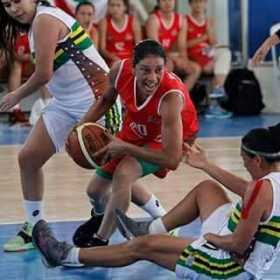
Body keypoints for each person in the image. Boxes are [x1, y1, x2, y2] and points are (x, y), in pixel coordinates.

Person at [33, 123, 280, 280]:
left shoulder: (261, 189)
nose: (244, 165)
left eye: (245, 160)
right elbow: (248, 191)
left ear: (257, 160)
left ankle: (66, 255)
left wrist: (210, 239)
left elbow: (237, 244)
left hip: (226, 268)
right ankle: (152, 226)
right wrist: (205, 165)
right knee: (207, 189)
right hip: (245, 255)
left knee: (143, 247)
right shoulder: (270, 182)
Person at [0, 0, 123, 252]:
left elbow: (43, 74)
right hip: (65, 103)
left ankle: (160, 219)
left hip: (97, 100)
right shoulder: (35, 23)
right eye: (6, 4)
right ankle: (34, 227)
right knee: (29, 158)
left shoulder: (46, 19)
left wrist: (15, 96)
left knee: (116, 170)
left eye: (17, 1)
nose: (14, 8)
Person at [70, 39, 199, 248]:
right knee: (95, 191)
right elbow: (105, 101)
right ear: (132, 67)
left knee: (124, 173)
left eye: (159, 70)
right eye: (145, 70)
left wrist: (124, 147)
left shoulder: (170, 97)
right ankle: (158, 217)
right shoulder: (119, 71)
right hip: (139, 124)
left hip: (172, 135)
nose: (153, 78)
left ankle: (100, 240)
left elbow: (172, 159)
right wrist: (79, 129)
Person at [186, 0, 232, 118]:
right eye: (195, 2)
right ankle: (214, 103)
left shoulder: (208, 20)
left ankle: (218, 89)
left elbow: (213, 42)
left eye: (201, 2)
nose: (198, 5)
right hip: (193, 55)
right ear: (190, 4)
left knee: (225, 53)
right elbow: (184, 45)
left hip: (208, 53)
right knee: (220, 66)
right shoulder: (185, 20)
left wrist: (209, 27)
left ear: (205, 4)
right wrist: (203, 38)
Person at [145, 0, 200, 91]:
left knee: (195, 69)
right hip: (156, 57)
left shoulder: (181, 19)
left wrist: (184, 59)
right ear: (158, 3)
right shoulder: (153, 20)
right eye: (164, 1)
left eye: (170, 0)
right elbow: (156, 49)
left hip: (173, 56)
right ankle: (163, 99)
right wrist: (172, 57)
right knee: (167, 65)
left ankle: (181, 98)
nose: (168, 3)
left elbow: (181, 45)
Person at [98, 0, 142, 67]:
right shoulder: (104, 22)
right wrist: (113, 58)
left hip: (130, 59)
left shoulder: (133, 21)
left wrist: (132, 60)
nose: (115, 8)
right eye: (112, 5)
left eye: (118, 5)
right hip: (112, 60)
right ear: (108, 7)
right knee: (116, 65)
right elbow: (102, 49)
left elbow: (139, 46)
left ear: (125, 7)